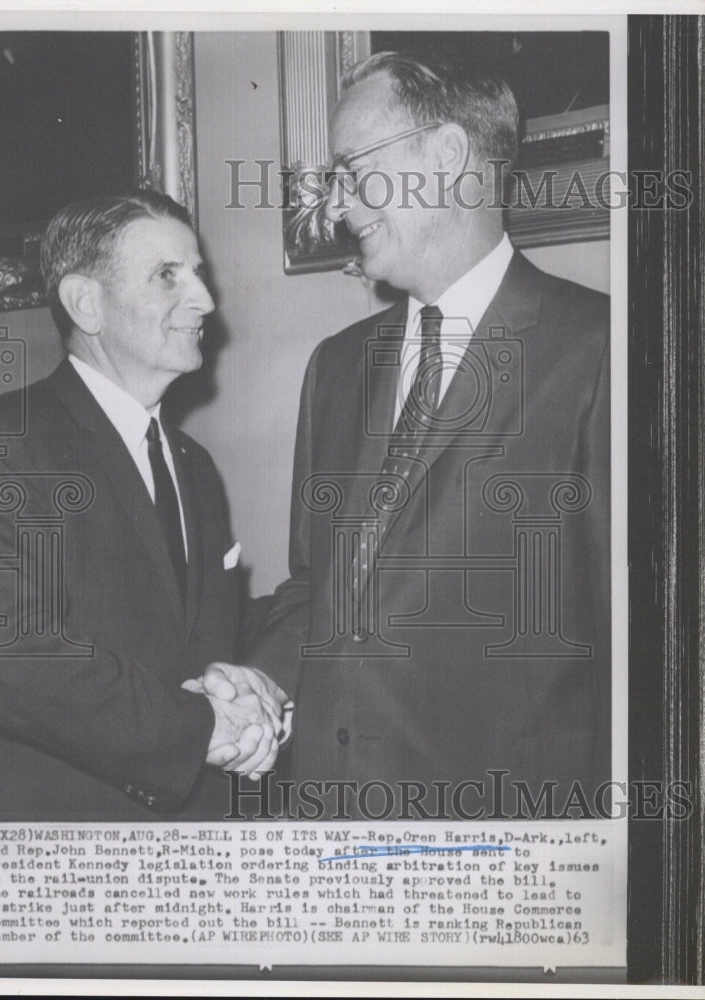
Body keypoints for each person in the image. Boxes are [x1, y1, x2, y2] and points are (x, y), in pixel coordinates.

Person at [249, 52, 611, 818]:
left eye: (352, 168)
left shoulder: (606, 350)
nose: (339, 203)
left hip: (501, 848)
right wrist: (261, 683)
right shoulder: (337, 363)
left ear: (446, 156)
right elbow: (313, 585)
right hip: (324, 830)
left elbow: (639, 641)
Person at [0, 190, 290, 821]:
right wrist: (203, 727)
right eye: (169, 275)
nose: (204, 299)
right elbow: (9, 652)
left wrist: (260, 679)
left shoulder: (194, 467)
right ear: (86, 303)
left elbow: (197, 632)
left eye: (197, 273)